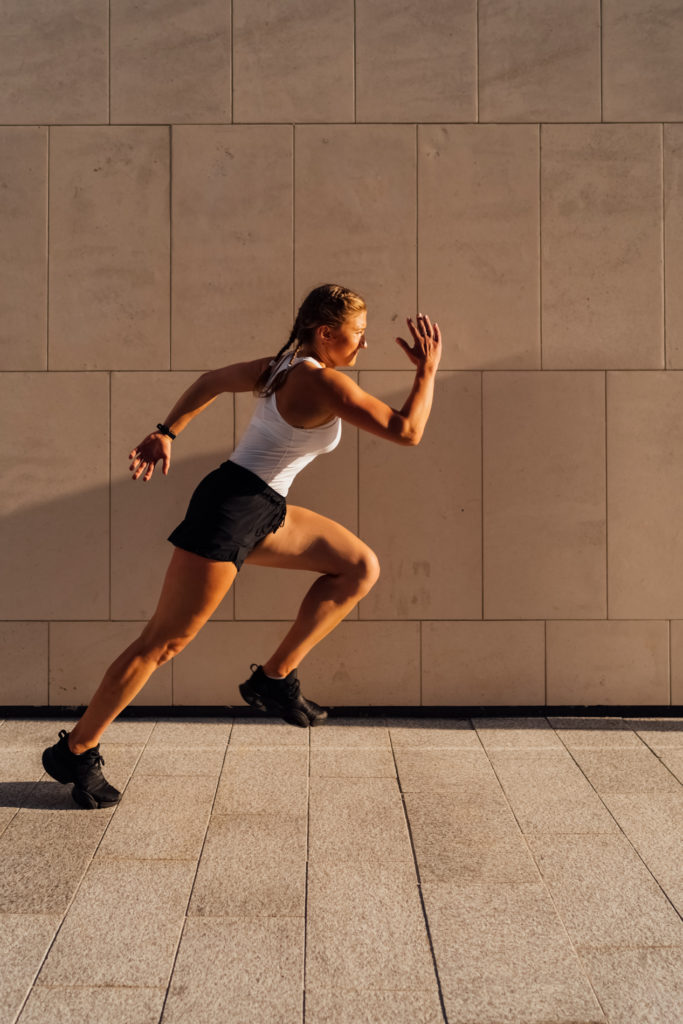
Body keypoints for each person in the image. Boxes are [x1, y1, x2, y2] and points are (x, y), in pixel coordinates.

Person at [42, 284, 442, 809]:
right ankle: (76, 748)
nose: (363, 346)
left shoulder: (278, 366)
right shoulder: (323, 383)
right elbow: (408, 431)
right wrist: (426, 371)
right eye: (358, 335)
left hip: (263, 508)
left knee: (358, 567)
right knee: (162, 644)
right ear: (326, 334)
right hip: (232, 511)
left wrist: (168, 431)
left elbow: (211, 381)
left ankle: (274, 679)